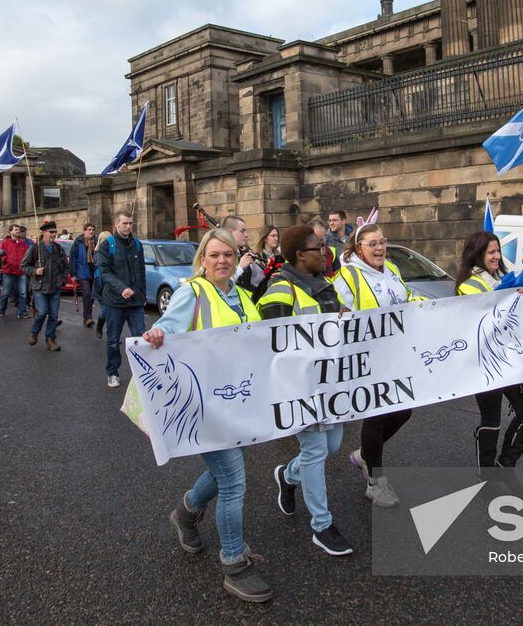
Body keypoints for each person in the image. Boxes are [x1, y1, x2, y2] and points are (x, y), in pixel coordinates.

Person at [145, 229, 272, 603]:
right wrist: (155, 335)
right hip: (202, 406)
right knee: (233, 480)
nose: (221, 261)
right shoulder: (191, 292)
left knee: (225, 472)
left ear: (235, 259)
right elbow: (166, 328)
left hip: (237, 403)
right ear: (202, 259)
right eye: (214, 255)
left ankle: (185, 513)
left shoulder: (243, 296)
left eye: (228, 256)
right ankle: (234, 562)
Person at [258, 225, 353, 557]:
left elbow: (335, 323)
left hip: (330, 385)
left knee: (332, 445)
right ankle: (322, 526)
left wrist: (342, 315)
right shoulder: (280, 291)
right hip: (300, 388)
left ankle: (287, 474)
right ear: (300, 255)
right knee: (315, 452)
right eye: (319, 247)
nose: (325, 252)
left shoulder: (323, 285)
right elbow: (270, 345)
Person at [332, 223, 426, 507]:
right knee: (375, 416)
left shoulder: (393, 270)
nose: (379, 248)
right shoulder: (347, 275)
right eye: (372, 243)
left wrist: (431, 307)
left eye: (382, 242)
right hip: (367, 356)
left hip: (395, 354)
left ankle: (364, 455)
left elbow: (407, 300)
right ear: (358, 247)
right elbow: (336, 311)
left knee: (403, 410)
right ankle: (375, 483)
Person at [454, 231, 523, 471]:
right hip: (484, 362)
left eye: (498, 251)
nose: (496, 256)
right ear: (477, 254)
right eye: (490, 252)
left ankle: (505, 463)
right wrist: (511, 297)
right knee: (491, 421)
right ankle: (488, 474)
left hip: (511, 360)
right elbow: (487, 318)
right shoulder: (468, 285)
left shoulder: (506, 277)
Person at [96, 211, 145, 387]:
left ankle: (142, 374)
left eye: (130, 223)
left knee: (141, 339)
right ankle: (112, 373)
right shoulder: (107, 245)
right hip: (114, 302)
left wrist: (142, 295)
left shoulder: (137, 244)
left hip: (135, 302)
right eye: (124, 223)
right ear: (116, 224)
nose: (128, 226)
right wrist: (121, 288)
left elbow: (141, 272)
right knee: (113, 340)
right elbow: (105, 272)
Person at [24, 219, 69, 351]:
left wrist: (62, 280)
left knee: (54, 315)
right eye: (51, 232)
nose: (54, 234)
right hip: (40, 286)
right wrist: (34, 271)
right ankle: (34, 332)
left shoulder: (58, 249)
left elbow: (66, 267)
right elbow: (24, 265)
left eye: (55, 232)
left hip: (55, 286)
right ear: (44, 232)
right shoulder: (35, 248)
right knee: (42, 312)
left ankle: (50, 338)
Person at [222, 215, 265, 296]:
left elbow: (256, 281)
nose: (246, 235)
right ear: (230, 233)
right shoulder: (221, 256)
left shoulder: (243, 253)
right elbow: (220, 285)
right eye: (242, 231)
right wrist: (240, 267)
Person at [0, 225, 31, 319]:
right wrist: (6, 261)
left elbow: (28, 255)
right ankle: (2, 309)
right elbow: (1, 254)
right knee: (6, 293)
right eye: (15, 230)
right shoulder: (4, 242)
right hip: (8, 271)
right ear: (10, 231)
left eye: (18, 230)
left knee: (23, 293)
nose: (18, 231)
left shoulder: (23, 244)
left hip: (21, 272)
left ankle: (21, 312)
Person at [70, 222, 98, 328]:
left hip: (93, 272)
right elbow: (73, 258)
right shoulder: (78, 242)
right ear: (84, 231)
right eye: (89, 229)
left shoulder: (96, 241)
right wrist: (73, 274)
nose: (91, 231)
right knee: (86, 293)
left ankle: (87, 316)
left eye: (92, 229)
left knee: (92, 296)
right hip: (82, 271)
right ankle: (88, 317)